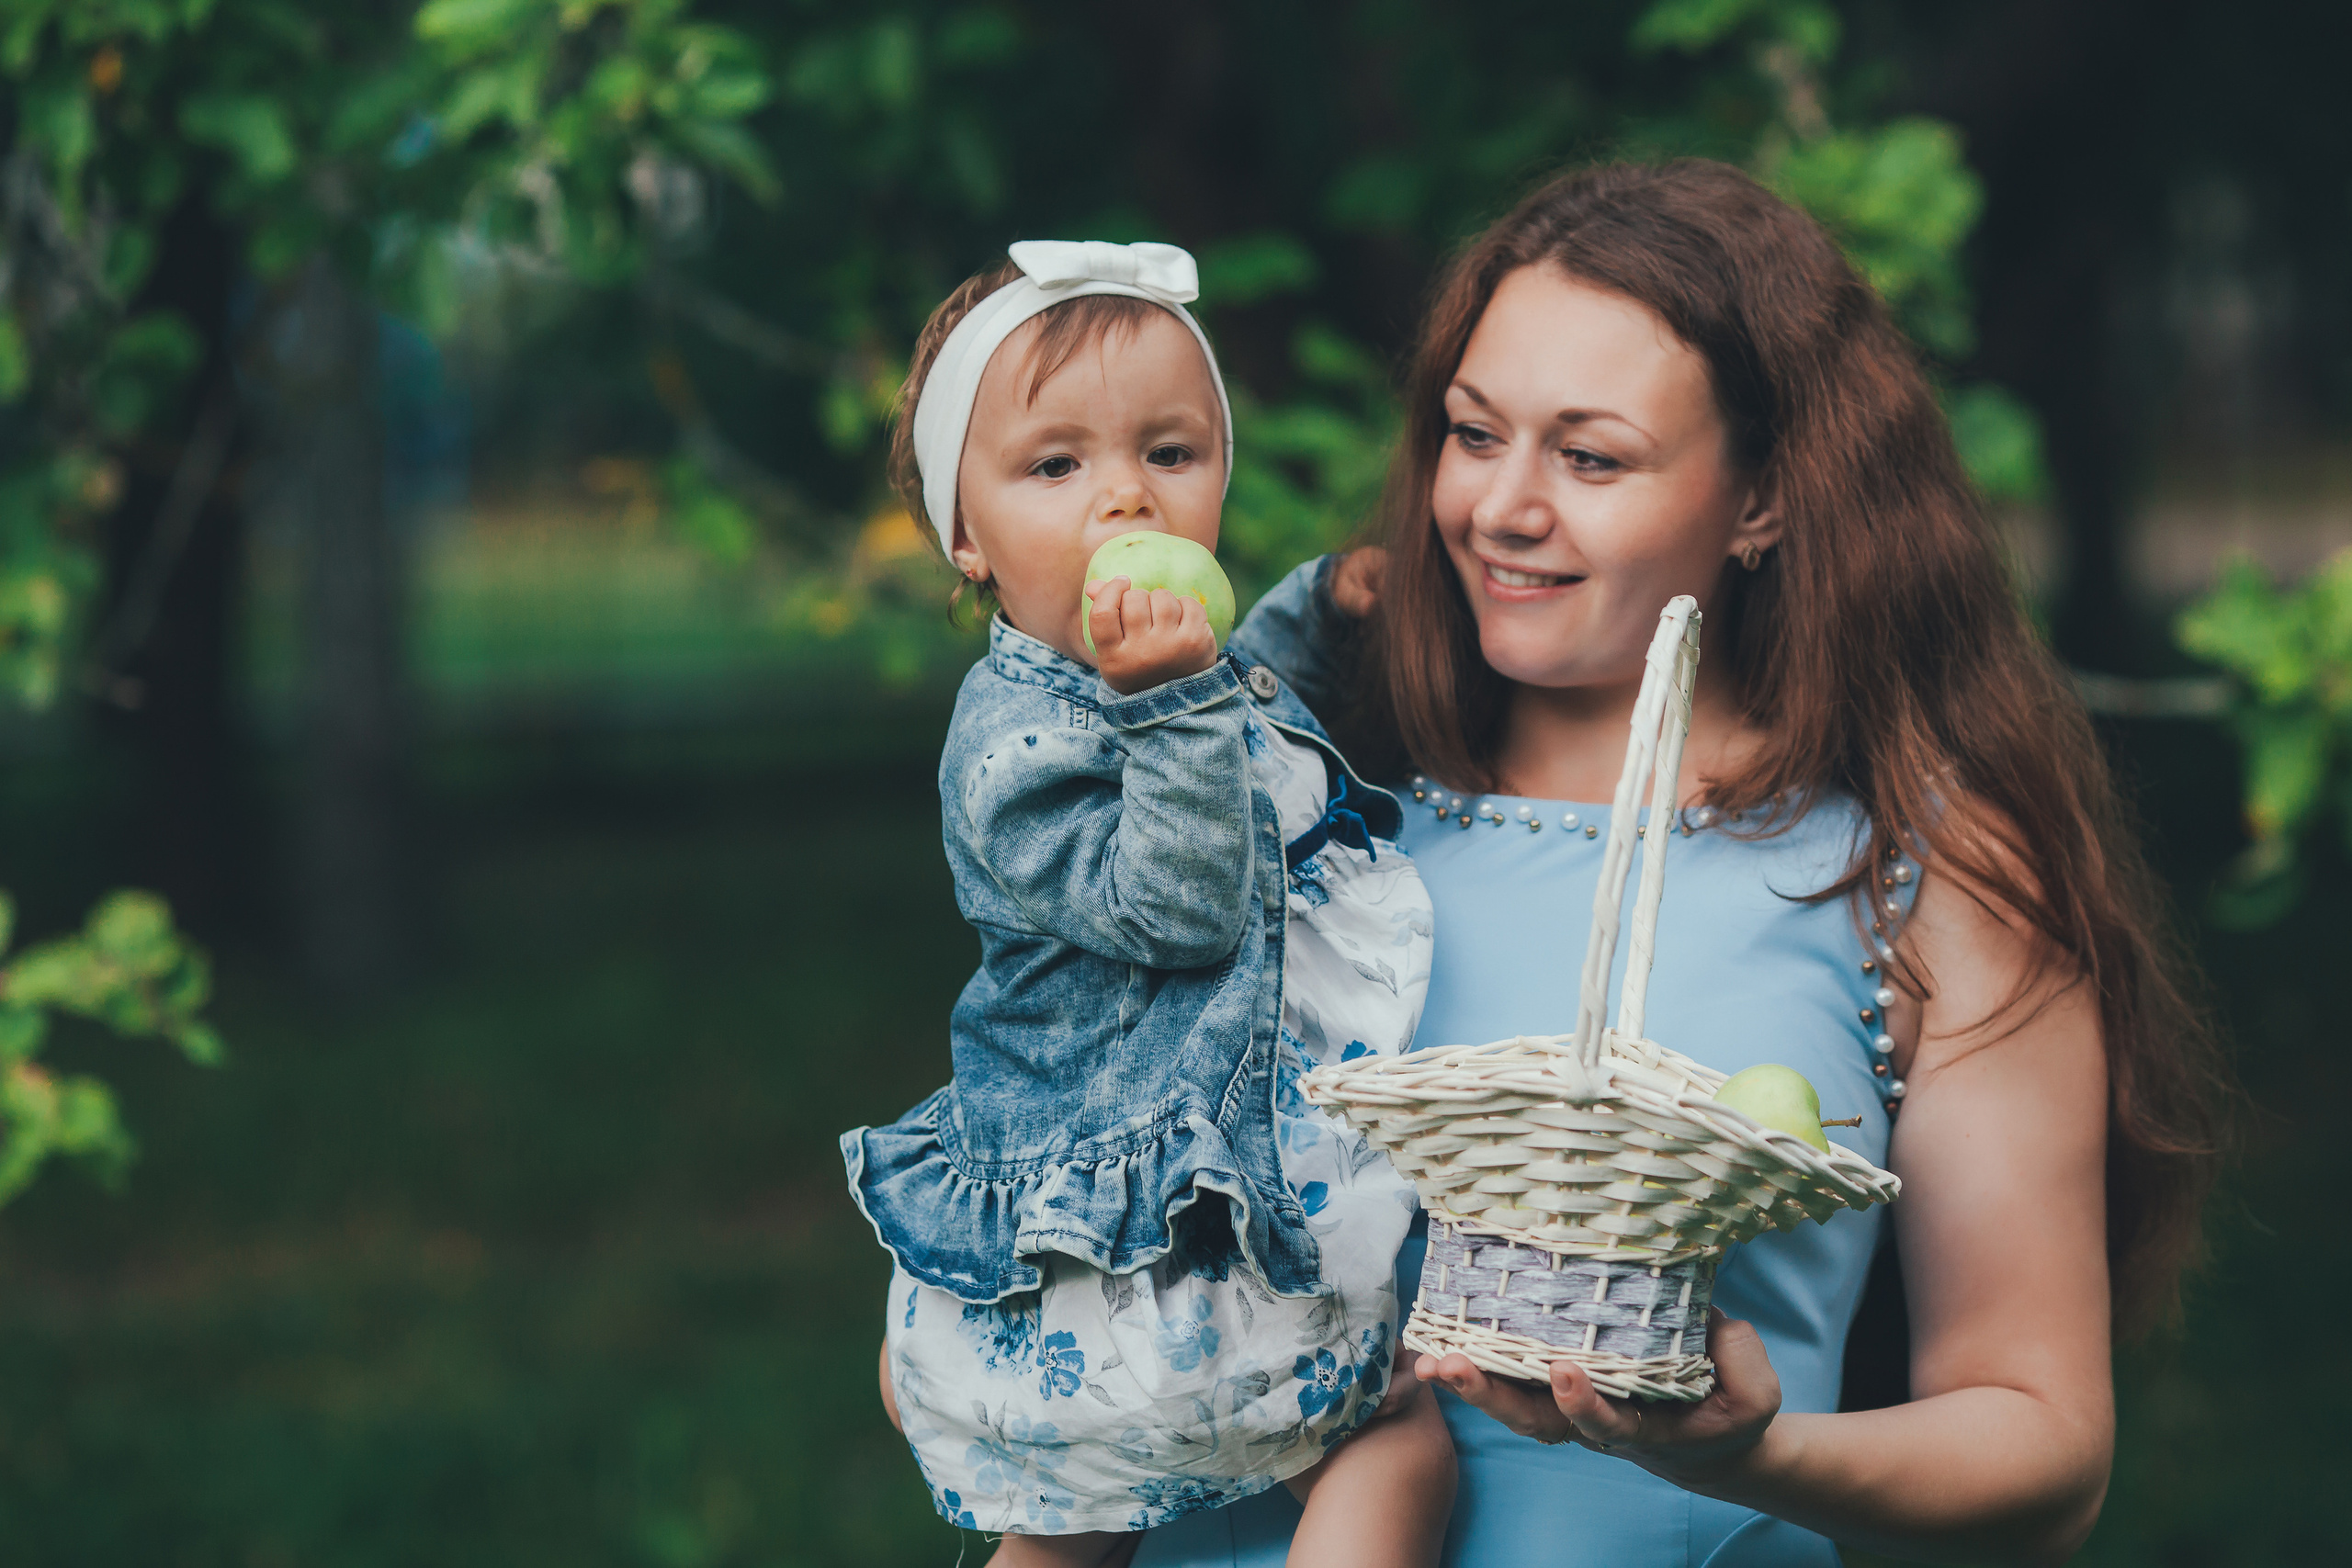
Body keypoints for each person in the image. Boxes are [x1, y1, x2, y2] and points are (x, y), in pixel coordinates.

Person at [1135, 161, 2228, 1567]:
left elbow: (2042, 1445)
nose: (1503, 508)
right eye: (1476, 436)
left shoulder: (1919, 870)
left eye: (1591, 459)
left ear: (1764, 498)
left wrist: (1755, 1451)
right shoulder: (1302, 796)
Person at [840, 241, 1455, 1567]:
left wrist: (1319, 610)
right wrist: (1170, 699)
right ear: (967, 538)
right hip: (1189, 1267)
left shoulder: (1173, 673)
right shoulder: (1012, 747)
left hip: (1127, 1302)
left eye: (1170, 454)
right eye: (1056, 467)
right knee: (1394, 1443)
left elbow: (1244, 702)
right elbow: (1175, 902)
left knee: (1069, 1533)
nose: (1126, 496)